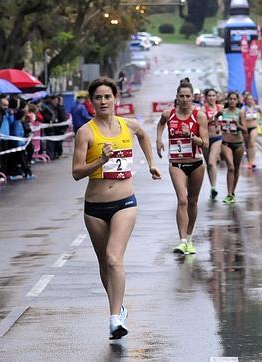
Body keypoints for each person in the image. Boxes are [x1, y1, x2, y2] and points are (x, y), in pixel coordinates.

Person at [71, 77, 161, 340]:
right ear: (91, 101)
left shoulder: (128, 125)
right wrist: (101, 159)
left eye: (107, 96)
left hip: (125, 203)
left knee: (113, 258)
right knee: (104, 263)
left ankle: (113, 319)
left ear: (115, 99)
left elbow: (143, 134)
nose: (103, 101)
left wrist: (151, 162)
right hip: (95, 208)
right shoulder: (85, 132)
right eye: (97, 97)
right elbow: (76, 173)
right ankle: (118, 307)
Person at [156, 78, 209, 255]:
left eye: (188, 96)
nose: (185, 99)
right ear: (176, 97)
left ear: (192, 97)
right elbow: (161, 124)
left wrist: (191, 136)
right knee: (182, 200)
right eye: (182, 96)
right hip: (176, 163)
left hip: (196, 164)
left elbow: (206, 144)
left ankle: (189, 237)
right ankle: (182, 241)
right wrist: (158, 140)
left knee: (192, 202)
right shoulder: (168, 114)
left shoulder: (199, 116)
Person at [220, 92, 246, 205]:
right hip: (226, 143)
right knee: (230, 167)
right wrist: (217, 125)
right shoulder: (223, 111)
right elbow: (214, 118)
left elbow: (245, 129)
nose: (232, 101)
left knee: (236, 168)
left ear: (237, 101)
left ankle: (233, 192)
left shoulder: (240, 112)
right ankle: (229, 194)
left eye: (234, 99)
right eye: (230, 99)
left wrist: (238, 125)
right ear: (227, 100)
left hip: (238, 143)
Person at [201, 89, 223, 200]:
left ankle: (214, 187)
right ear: (206, 97)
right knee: (208, 165)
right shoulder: (202, 109)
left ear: (216, 96)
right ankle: (212, 187)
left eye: (213, 95)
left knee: (211, 163)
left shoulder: (221, 108)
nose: (211, 97)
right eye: (209, 95)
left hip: (217, 138)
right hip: (205, 139)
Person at [241, 94, 262, 169]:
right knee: (247, 145)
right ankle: (249, 161)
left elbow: (261, 112)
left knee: (252, 144)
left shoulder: (256, 107)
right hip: (246, 128)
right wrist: (243, 128)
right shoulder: (243, 109)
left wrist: (260, 121)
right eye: (248, 99)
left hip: (254, 127)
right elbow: (242, 119)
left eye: (251, 99)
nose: (250, 101)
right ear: (246, 101)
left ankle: (252, 161)